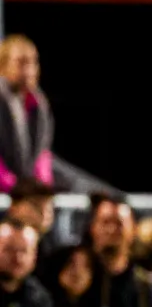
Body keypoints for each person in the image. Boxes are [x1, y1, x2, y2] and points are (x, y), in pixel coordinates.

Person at [0, 35, 107, 196]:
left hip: (27, 179)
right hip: (8, 183)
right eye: (21, 62)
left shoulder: (38, 102)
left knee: (89, 187)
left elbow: (42, 153)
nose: (29, 69)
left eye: (33, 62)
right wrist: (14, 186)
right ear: (2, 66)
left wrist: (41, 185)